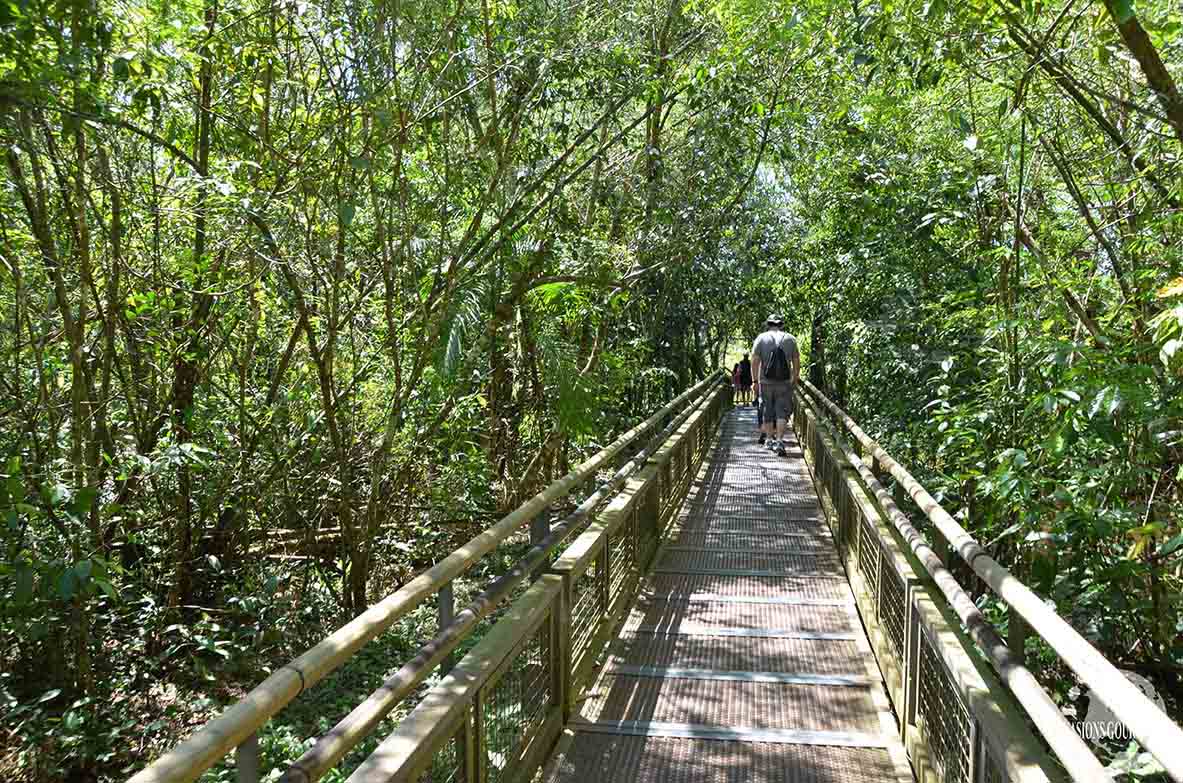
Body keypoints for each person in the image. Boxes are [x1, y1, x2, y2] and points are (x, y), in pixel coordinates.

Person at [751, 314, 800, 457]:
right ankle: (779, 440)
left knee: (767, 409)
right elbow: (796, 361)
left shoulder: (761, 338)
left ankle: (769, 439)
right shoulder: (790, 339)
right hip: (784, 383)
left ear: (768, 324)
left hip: (765, 382)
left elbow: (755, 361)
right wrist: (795, 377)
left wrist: (754, 381)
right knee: (781, 411)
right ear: (781, 325)